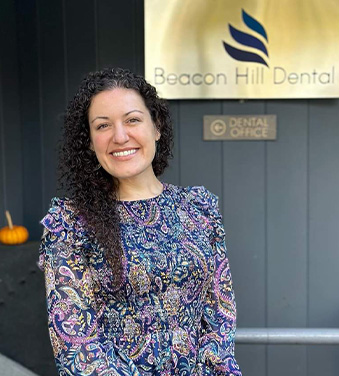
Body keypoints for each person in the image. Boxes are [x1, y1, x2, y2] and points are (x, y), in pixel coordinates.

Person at [39, 67, 242, 376]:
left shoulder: (199, 207)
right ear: (90, 142)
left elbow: (221, 312)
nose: (120, 136)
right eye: (103, 125)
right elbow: (77, 346)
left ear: (156, 127)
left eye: (132, 120)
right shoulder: (70, 224)